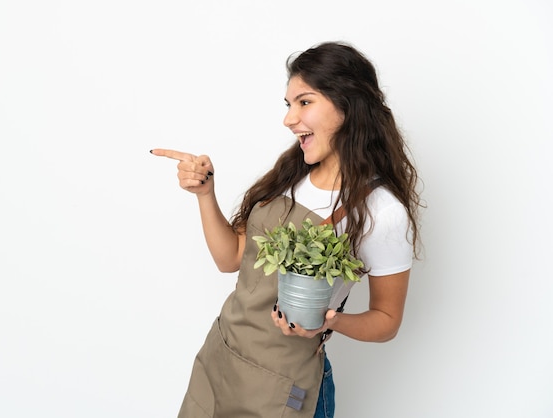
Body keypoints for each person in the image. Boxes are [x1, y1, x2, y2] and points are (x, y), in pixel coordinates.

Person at [151, 41, 422, 418]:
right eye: (289, 105)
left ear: (348, 105)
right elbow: (230, 258)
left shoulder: (381, 211)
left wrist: (330, 322)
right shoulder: (289, 175)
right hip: (222, 357)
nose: (289, 119)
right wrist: (205, 194)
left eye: (304, 102)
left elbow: (387, 320)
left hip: (281, 385)